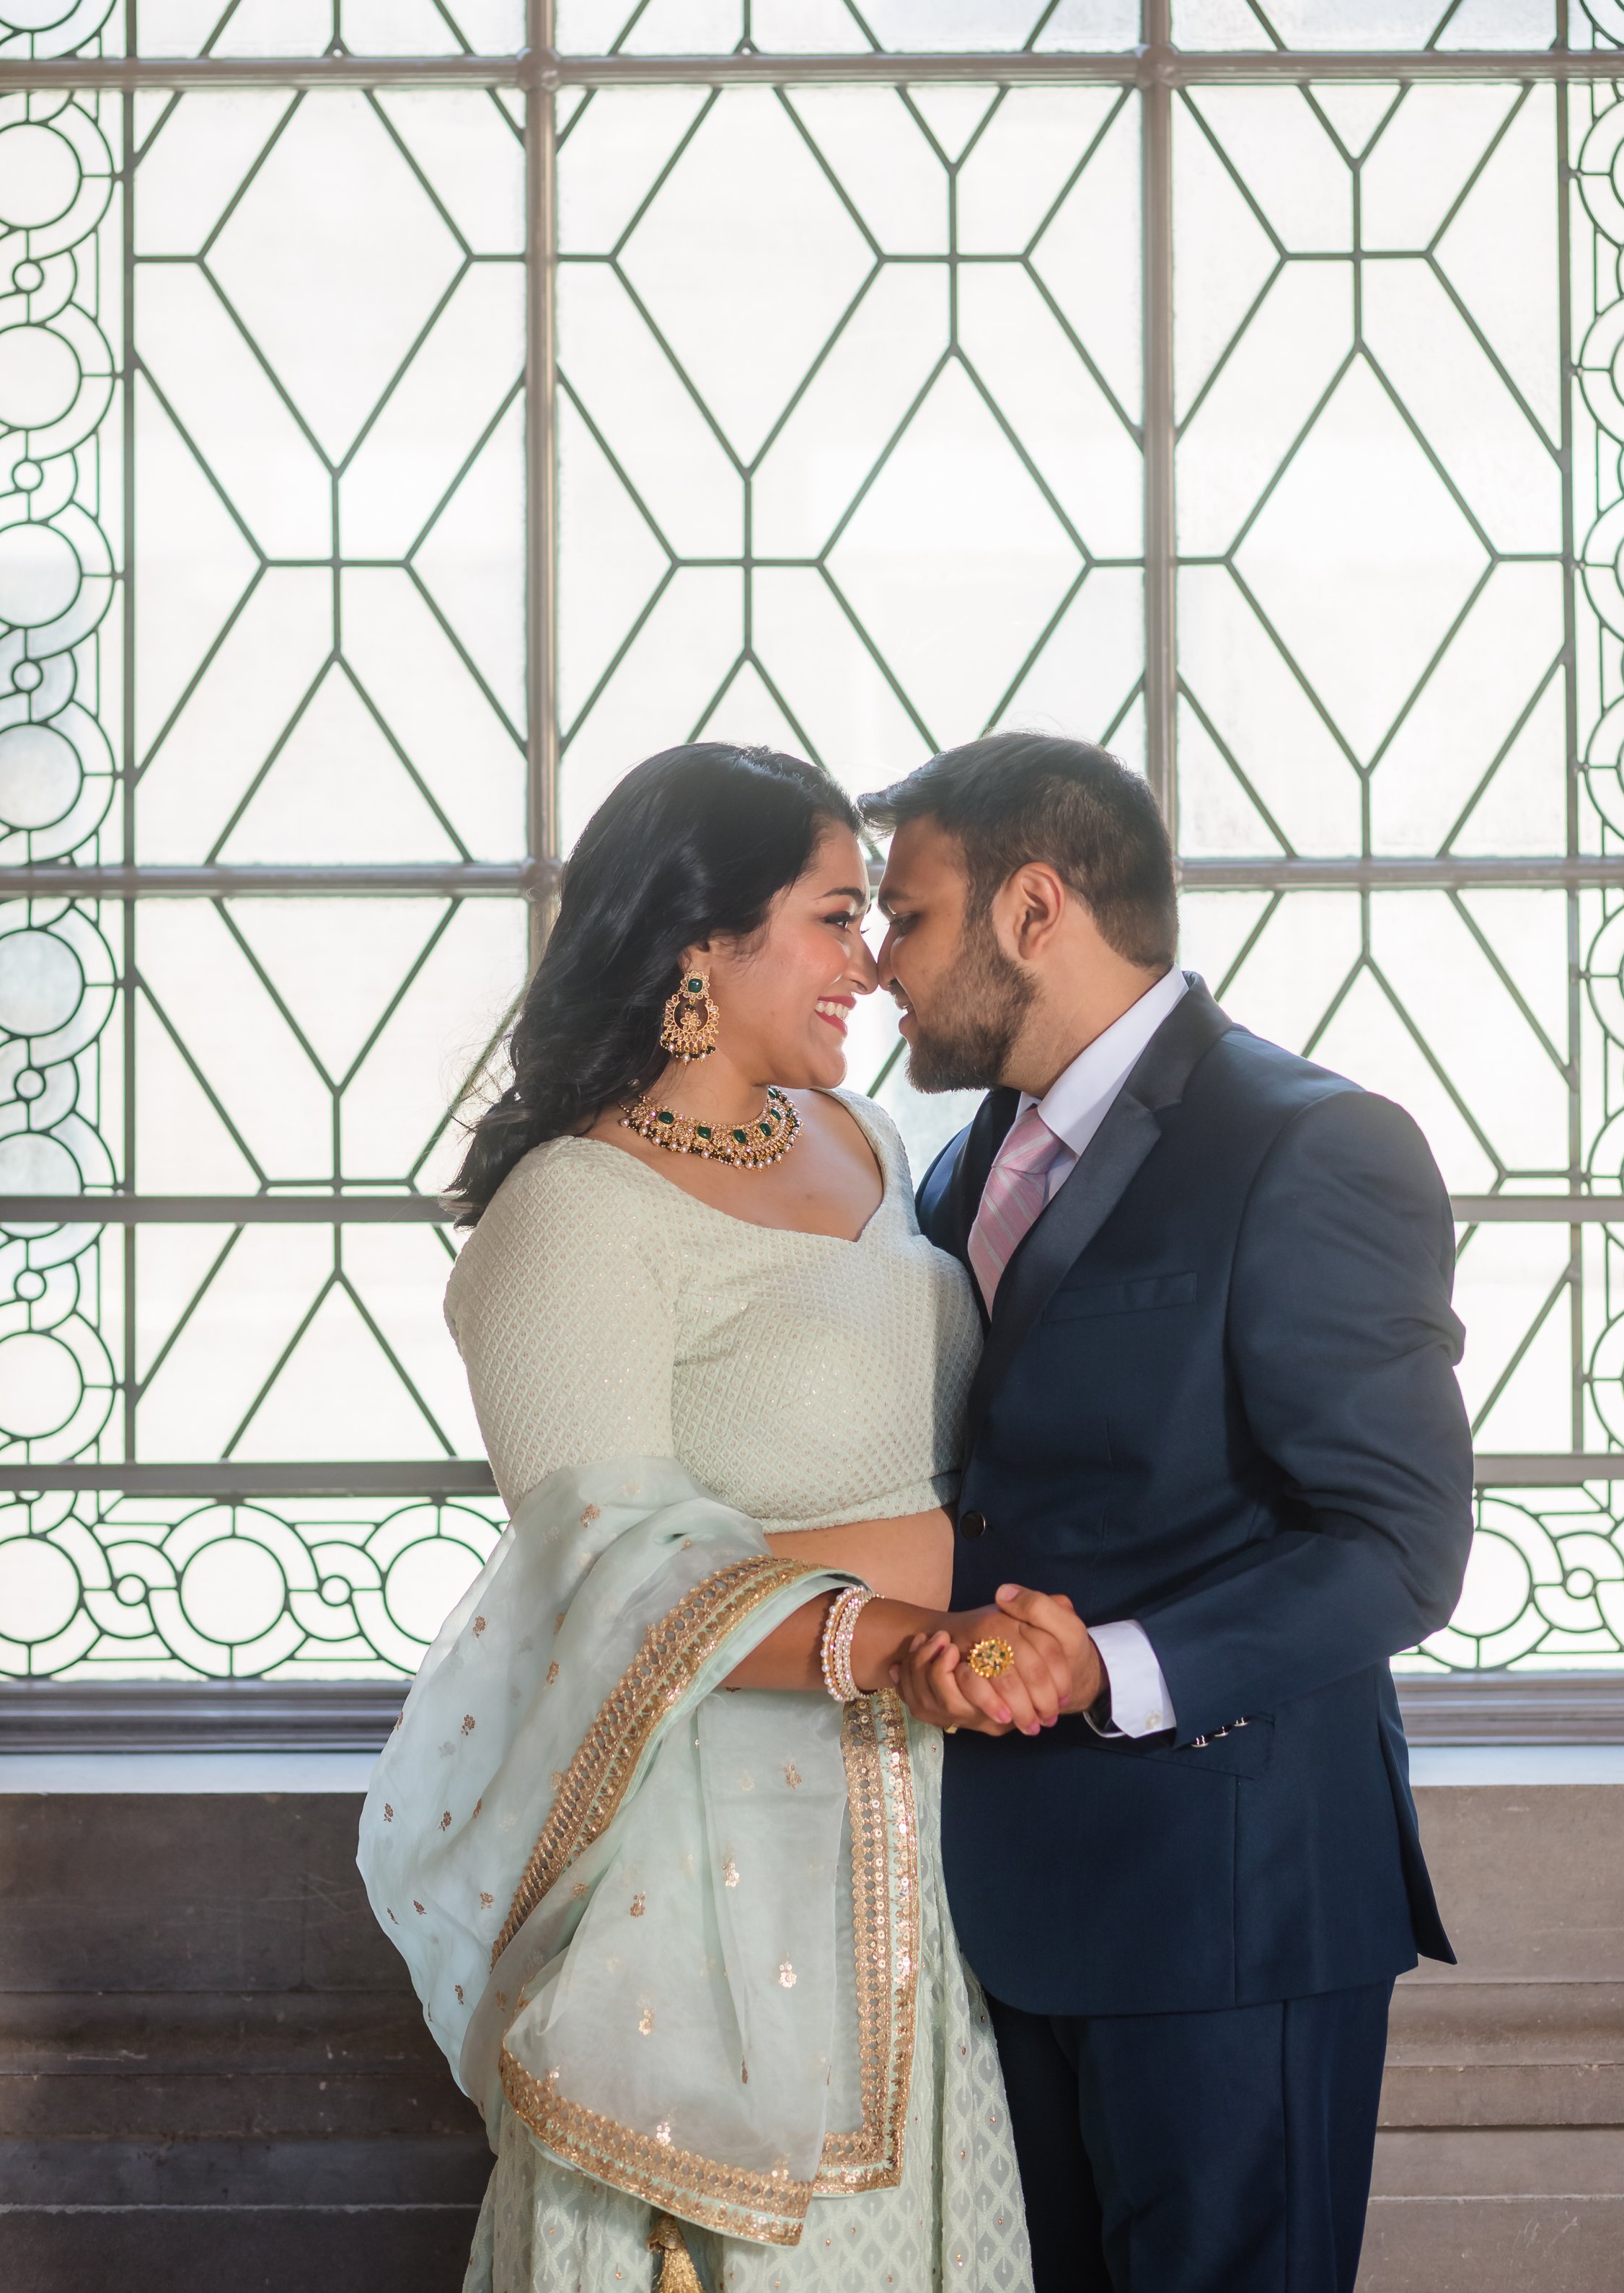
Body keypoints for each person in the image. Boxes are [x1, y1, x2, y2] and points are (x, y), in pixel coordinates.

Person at [359, 743, 1048, 2293]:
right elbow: (608, 1589)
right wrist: (911, 1636)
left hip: (939, 1821)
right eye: (827, 917)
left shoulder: (870, 1145)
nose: (870, 963)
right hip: (725, 1871)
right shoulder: (576, 1212)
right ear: (697, 944)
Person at [862, 734, 1475, 2293]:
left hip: (1231, 1904)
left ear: (1034, 907)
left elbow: (1399, 1546)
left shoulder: (1308, 1146)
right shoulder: (957, 1174)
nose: (877, 963)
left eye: (907, 915)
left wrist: (1110, 1666)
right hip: (995, 1900)